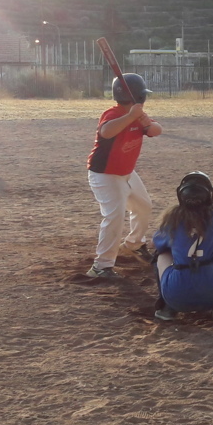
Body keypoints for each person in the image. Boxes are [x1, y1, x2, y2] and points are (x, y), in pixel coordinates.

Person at [85, 73, 162, 280]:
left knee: (143, 206)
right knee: (114, 216)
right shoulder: (113, 114)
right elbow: (106, 132)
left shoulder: (138, 115)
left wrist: (145, 122)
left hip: (127, 172)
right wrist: (130, 117)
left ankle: (134, 243)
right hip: (105, 174)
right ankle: (101, 267)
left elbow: (157, 131)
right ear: (137, 97)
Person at [152, 171, 213, 321]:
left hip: (175, 296)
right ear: (209, 195)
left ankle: (167, 307)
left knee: (162, 254)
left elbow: (157, 244)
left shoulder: (173, 218)